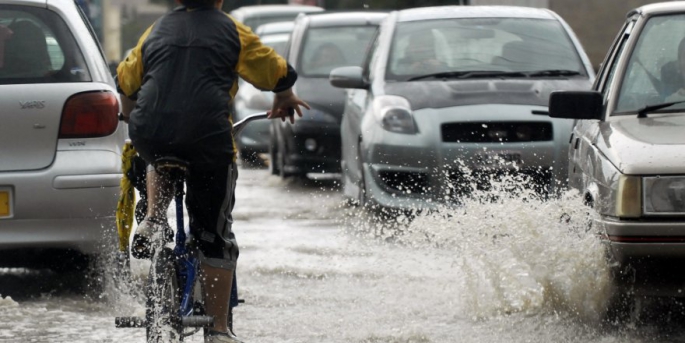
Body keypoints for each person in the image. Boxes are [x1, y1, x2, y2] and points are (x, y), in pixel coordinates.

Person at [116, 0, 309, 342]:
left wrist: (131, 114)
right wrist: (285, 95)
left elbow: (126, 79)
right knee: (213, 237)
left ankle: (154, 217)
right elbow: (272, 69)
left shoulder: (156, 30)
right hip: (206, 136)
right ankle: (219, 330)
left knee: (156, 152)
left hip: (151, 130)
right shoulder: (230, 29)